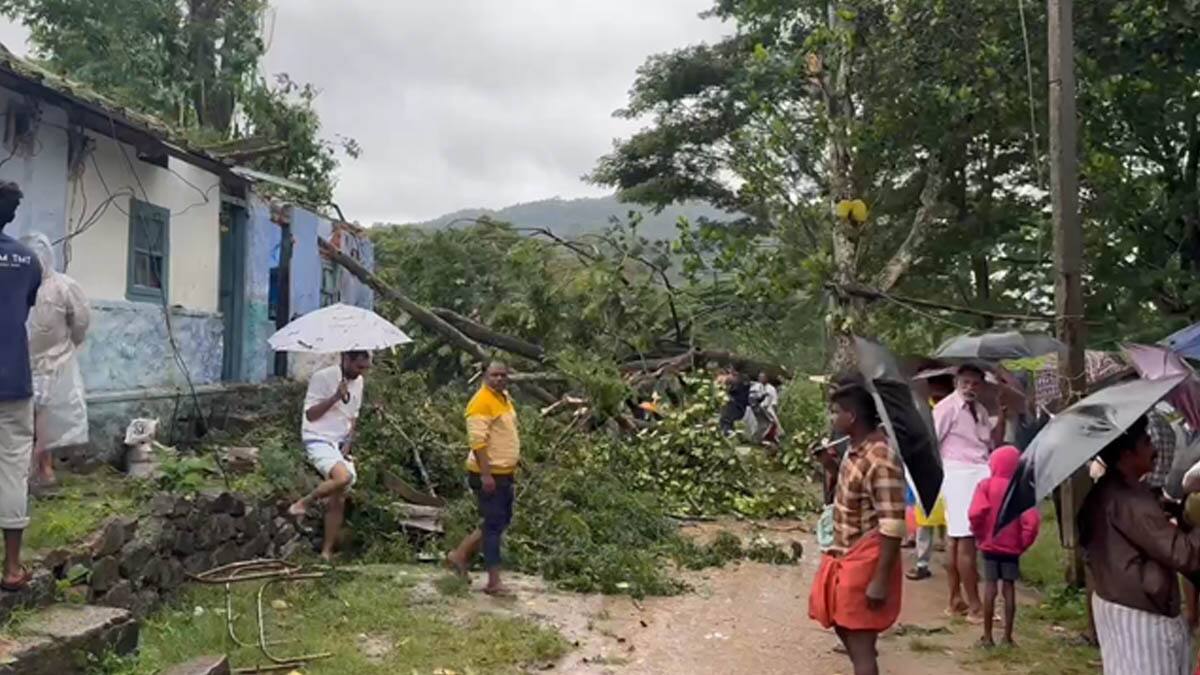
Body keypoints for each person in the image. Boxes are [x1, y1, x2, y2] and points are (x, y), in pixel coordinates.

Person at [1079, 416, 1200, 674]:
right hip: (1140, 613)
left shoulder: (1110, 490)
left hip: (1118, 602)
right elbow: (1184, 555)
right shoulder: (1129, 500)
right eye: (1146, 442)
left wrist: (1170, 512)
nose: (1154, 450)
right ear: (1127, 453)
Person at [809, 382, 905, 675]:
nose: (831, 418)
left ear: (851, 417)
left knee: (861, 646)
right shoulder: (854, 451)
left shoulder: (880, 458)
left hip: (864, 561)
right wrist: (829, 465)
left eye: (835, 412)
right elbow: (852, 494)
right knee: (840, 623)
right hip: (843, 553)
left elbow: (892, 524)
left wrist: (879, 580)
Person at [933, 363, 1005, 621]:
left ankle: (955, 600)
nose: (970, 388)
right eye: (965, 383)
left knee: (956, 540)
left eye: (975, 384)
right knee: (965, 540)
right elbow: (934, 441)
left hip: (978, 471)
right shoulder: (946, 409)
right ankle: (975, 606)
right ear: (956, 383)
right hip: (958, 473)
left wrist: (1002, 413)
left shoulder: (981, 410)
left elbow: (991, 442)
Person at [21, 232, 90, 489]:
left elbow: (80, 320)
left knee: (42, 417)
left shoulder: (63, 286)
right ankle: (32, 471)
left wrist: (68, 345)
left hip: (53, 362)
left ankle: (43, 470)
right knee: (28, 417)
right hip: (21, 362)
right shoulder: (19, 283)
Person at [288, 351, 372, 561]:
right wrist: (335, 397)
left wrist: (347, 445)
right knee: (343, 478)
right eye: (358, 367)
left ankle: (326, 552)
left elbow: (353, 417)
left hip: (339, 443)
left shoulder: (359, 382)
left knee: (339, 497)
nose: (361, 372)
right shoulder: (322, 377)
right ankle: (303, 504)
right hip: (318, 437)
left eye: (365, 367)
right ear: (346, 360)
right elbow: (310, 415)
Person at [446, 361, 521, 596]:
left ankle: (459, 555)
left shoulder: (503, 398)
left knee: (499, 521)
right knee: (493, 526)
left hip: (505, 472)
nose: (499, 379)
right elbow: (477, 443)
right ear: (484, 376)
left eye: (503, 375)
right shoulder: (480, 402)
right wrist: (486, 474)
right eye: (494, 375)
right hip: (487, 474)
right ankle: (493, 581)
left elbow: (506, 434)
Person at [0, 182, 41, 591]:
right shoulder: (28, 260)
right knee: (12, 469)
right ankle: (12, 569)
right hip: (13, 377)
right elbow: (22, 307)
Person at [968, 445, 1040, 647]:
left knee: (990, 587)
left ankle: (988, 637)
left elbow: (976, 512)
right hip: (1011, 548)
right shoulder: (1021, 490)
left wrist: (979, 533)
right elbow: (1032, 522)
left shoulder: (985, 485)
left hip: (990, 545)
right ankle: (1008, 637)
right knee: (1009, 588)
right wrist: (1022, 544)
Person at [907, 374, 953, 581]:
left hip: (951, 470)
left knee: (954, 520)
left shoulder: (956, 409)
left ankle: (956, 563)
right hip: (928, 469)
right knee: (924, 519)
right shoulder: (922, 410)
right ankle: (922, 562)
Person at [749, 372, 782, 446]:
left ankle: (770, 440)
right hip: (756, 410)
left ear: (767, 379)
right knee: (757, 425)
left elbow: (774, 402)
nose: (760, 378)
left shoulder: (771, 389)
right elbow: (752, 397)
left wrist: (774, 411)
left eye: (763, 377)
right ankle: (755, 439)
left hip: (768, 410)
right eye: (759, 377)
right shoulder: (755, 386)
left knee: (770, 425)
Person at [718, 366, 751, 436]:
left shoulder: (741, 380)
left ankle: (727, 433)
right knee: (726, 421)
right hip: (738, 407)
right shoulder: (743, 381)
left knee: (726, 420)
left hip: (737, 407)